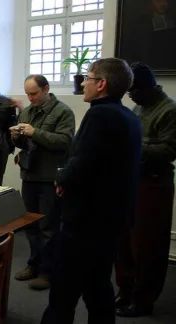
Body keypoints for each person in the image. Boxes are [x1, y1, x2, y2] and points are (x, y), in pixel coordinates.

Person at [41, 58, 142, 324]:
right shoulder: (129, 116)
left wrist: (62, 176)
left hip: (85, 222)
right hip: (112, 220)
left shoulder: (100, 114)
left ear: (102, 84)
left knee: (63, 291)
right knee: (98, 286)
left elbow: (81, 163)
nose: (83, 82)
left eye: (87, 77)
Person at [114, 63, 176, 318]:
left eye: (133, 91)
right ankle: (126, 290)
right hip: (132, 180)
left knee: (148, 245)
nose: (130, 96)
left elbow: (169, 150)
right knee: (124, 241)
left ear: (148, 88)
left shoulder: (170, 110)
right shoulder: (140, 104)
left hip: (153, 184)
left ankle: (143, 299)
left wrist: (133, 145)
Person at [11, 75, 76, 291]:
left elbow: (65, 142)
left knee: (48, 227)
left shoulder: (63, 111)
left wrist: (34, 132)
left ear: (46, 88)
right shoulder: (28, 111)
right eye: (28, 94)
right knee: (30, 225)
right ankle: (34, 264)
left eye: (34, 93)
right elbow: (25, 143)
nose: (30, 98)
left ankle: (49, 272)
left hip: (49, 178)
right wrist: (16, 136)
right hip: (29, 175)